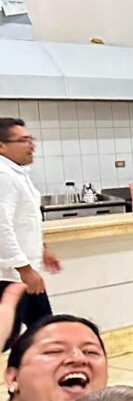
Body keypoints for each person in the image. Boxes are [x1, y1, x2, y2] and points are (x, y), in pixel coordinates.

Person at [1, 117, 61, 350]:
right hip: (9, 276)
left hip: (24, 272)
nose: (31, 145)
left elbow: (23, 222)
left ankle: (40, 382)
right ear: (1, 146)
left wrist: (41, 248)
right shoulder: (3, 176)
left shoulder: (16, 173)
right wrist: (24, 269)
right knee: (7, 336)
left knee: (45, 330)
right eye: (24, 140)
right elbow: (1, 226)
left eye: (30, 139)